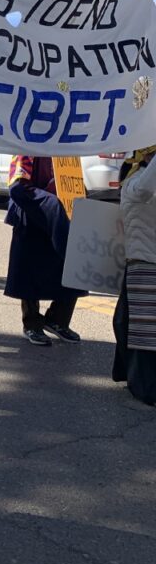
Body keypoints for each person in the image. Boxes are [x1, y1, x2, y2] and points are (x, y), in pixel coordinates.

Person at [5, 155, 84, 345]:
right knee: (30, 273)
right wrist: (50, 203)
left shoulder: (68, 148)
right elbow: (17, 187)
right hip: (33, 214)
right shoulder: (26, 146)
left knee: (72, 265)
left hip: (63, 213)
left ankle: (58, 320)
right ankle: (32, 324)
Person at [113, 146, 156, 406]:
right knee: (131, 324)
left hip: (145, 260)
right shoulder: (138, 182)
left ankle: (143, 384)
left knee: (138, 327)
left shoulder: (140, 182)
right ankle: (135, 379)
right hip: (143, 260)